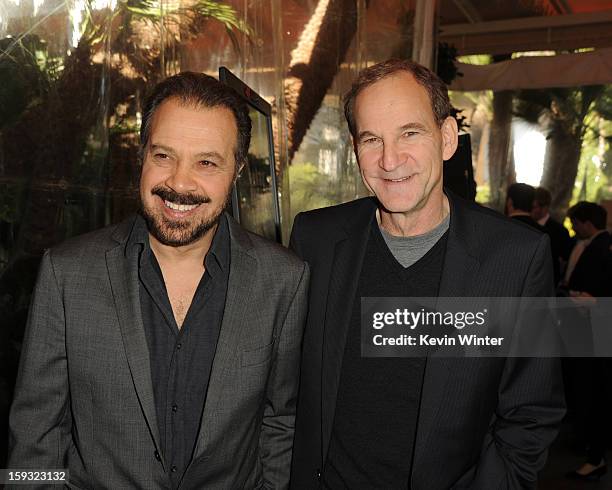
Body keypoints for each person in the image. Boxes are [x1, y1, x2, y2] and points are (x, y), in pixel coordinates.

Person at [8, 72, 309, 489]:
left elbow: (281, 423)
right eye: (164, 156)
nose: (179, 183)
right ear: (142, 156)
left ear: (237, 170)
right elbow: (33, 437)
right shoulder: (67, 272)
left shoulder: (284, 280)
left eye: (206, 162)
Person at [289, 59, 565, 489]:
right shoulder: (316, 239)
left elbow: (531, 414)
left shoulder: (516, 259)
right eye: (372, 139)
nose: (390, 159)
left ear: (448, 138)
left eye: (410, 133)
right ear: (354, 148)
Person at [563, 201, 612, 480]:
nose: (573, 228)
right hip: (588, 331)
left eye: (576, 223)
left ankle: (595, 455)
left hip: (598, 333)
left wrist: (592, 301)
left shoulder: (603, 247)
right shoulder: (586, 244)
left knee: (597, 392)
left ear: (588, 223)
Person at [532, 187, 572, 286]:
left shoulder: (559, 231)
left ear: (545, 207)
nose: (530, 210)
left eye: (534, 207)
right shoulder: (528, 225)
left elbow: (565, 260)